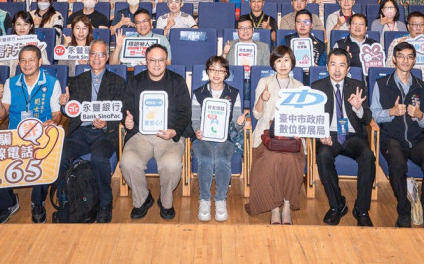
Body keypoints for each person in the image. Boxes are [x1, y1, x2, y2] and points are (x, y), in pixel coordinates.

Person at [371, 41, 424, 229]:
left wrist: (419, 115)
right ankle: (404, 209)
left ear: (414, 60)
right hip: (392, 139)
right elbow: (374, 115)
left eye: (410, 57)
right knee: (398, 165)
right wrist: (391, 112)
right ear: (394, 59)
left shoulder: (423, 87)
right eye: (401, 56)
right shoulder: (381, 84)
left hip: (417, 140)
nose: (405, 60)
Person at [0, 45, 62, 223]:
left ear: (40, 61)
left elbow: (57, 114)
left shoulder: (52, 82)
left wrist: (53, 122)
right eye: (23, 60)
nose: (27, 64)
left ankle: (37, 203)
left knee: (43, 154)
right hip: (15, 135)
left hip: (41, 134)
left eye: (31, 60)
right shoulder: (11, 83)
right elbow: (1, 115)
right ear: (18, 62)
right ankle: (8, 203)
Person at [120, 44, 191, 220]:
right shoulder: (135, 82)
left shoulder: (177, 82)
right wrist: (126, 120)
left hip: (168, 134)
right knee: (128, 162)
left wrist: (174, 131)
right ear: (146, 61)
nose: (157, 64)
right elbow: (125, 108)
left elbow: (185, 113)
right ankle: (142, 199)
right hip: (140, 135)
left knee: (172, 164)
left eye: (161, 60)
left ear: (167, 61)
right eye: (152, 60)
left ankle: (166, 202)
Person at [57, 40, 126, 223]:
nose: (97, 58)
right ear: (88, 57)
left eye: (101, 54)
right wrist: (64, 104)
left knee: (99, 158)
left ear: (107, 57)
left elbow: (121, 112)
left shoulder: (118, 82)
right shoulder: (77, 81)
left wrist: (106, 123)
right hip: (81, 131)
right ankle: (65, 200)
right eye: (93, 54)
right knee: (61, 156)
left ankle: (105, 203)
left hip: (104, 133)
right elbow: (70, 111)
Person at [311, 49, 375, 226]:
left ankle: (361, 210)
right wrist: (320, 134)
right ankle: (336, 205)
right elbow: (312, 117)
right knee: (323, 156)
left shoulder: (357, 85)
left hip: (353, 135)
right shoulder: (317, 87)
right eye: (333, 64)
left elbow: (367, 119)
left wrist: (358, 108)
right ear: (327, 66)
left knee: (368, 157)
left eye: (342, 65)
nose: (337, 70)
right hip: (329, 135)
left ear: (348, 69)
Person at [246, 45, 305, 224]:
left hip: (291, 137)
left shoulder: (299, 86)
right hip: (267, 136)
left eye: (286, 60)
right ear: (273, 64)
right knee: (271, 160)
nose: (283, 64)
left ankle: (286, 206)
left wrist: (297, 132)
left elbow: (303, 116)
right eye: (279, 60)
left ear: (292, 62)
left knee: (289, 160)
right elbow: (256, 115)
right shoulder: (265, 82)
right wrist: (261, 100)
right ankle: (273, 207)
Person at [188, 55, 245, 222]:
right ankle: (204, 199)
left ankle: (220, 199)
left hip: (225, 137)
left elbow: (236, 123)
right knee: (205, 159)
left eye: (221, 70)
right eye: (213, 69)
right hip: (203, 138)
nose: (216, 74)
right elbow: (195, 119)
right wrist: (197, 131)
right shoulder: (199, 93)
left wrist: (240, 123)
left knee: (221, 160)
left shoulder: (233, 93)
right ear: (207, 72)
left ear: (226, 73)